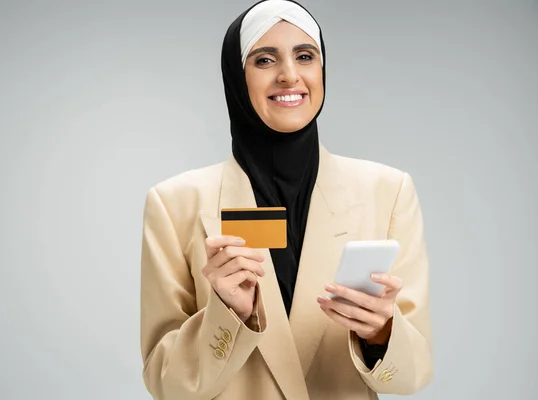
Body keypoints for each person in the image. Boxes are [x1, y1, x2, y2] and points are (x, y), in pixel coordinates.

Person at [139, 0, 433, 398]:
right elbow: (167, 386)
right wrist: (228, 314)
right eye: (264, 60)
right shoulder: (174, 203)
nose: (289, 75)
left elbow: (412, 378)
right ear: (236, 78)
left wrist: (381, 332)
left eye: (305, 56)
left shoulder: (389, 190)